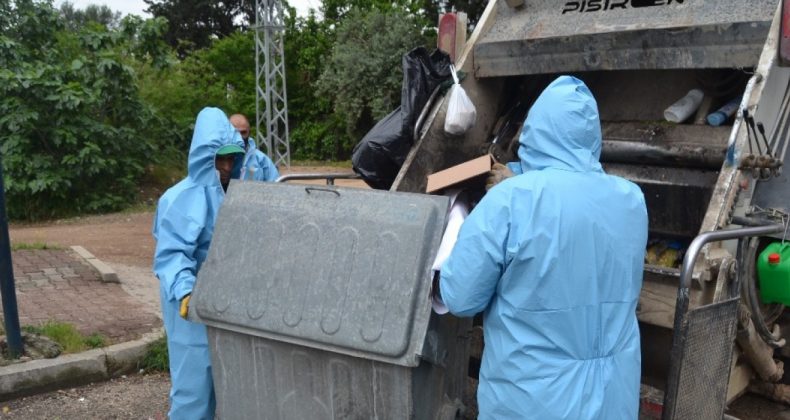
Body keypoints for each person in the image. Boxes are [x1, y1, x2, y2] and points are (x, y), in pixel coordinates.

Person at [439, 76, 648, 419]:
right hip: (613, 400)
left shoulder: (509, 201)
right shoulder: (632, 200)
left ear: (535, 130)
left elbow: (460, 298)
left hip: (531, 403)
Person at [152, 107, 246, 420]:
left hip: (226, 303)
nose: (227, 166)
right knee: (193, 389)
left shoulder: (232, 194)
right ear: (205, 156)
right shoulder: (179, 198)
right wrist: (185, 291)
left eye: (232, 159)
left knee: (233, 387)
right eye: (221, 158)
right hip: (189, 306)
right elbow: (173, 255)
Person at [229, 113, 280, 181]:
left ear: (249, 132)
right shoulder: (217, 158)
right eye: (236, 132)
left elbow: (277, 186)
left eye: (243, 132)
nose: (240, 137)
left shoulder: (261, 160)